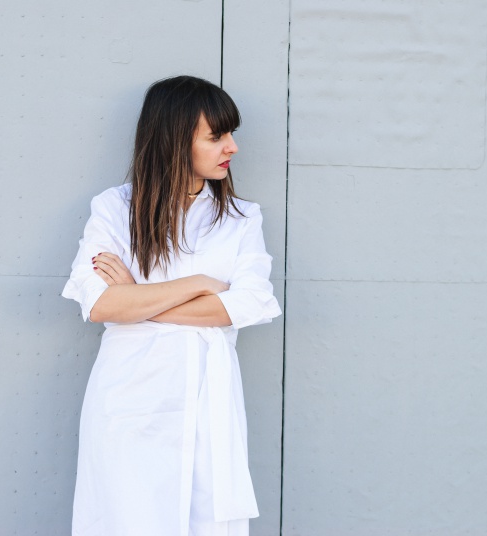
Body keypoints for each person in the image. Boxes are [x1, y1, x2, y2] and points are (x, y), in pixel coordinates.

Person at [62, 75, 281, 536]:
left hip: (211, 403)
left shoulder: (241, 219)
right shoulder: (114, 210)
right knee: (128, 520)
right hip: (131, 402)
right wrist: (200, 284)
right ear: (175, 139)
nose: (232, 148)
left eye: (231, 134)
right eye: (217, 136)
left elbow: (252, 302)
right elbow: (100, 303)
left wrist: (139, 302)